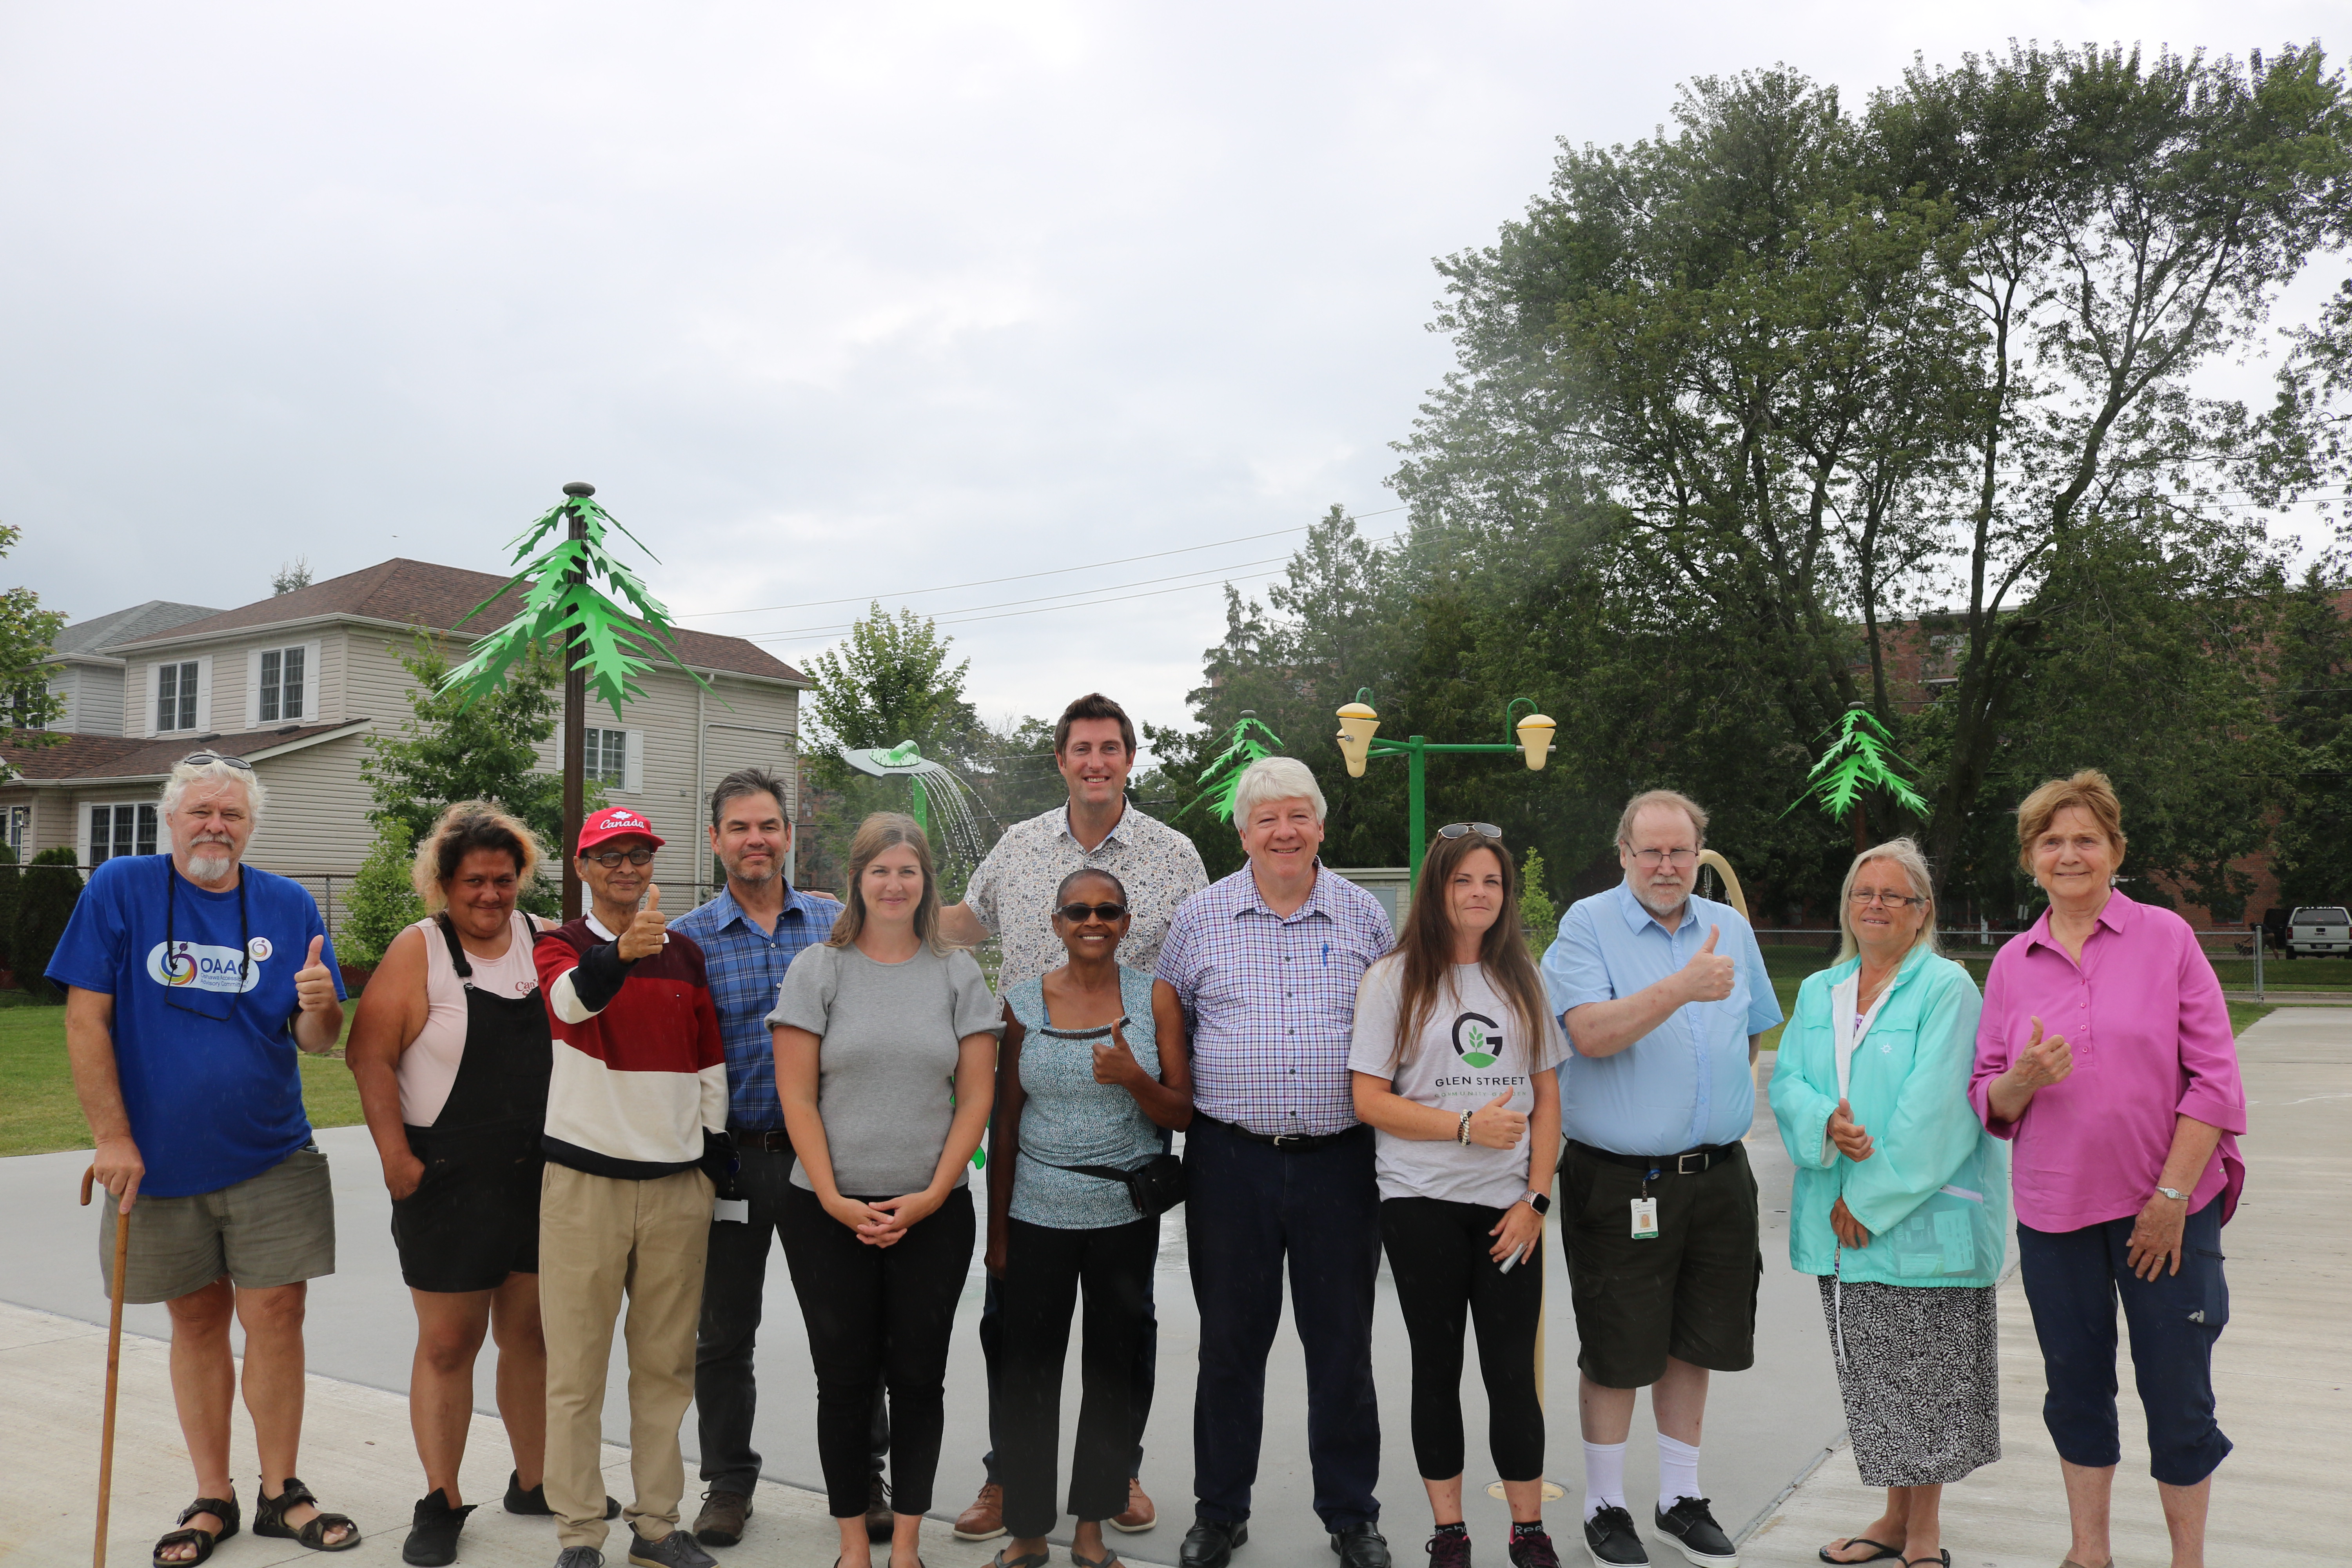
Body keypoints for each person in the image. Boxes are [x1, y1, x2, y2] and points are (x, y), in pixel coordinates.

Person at [54, 751, 358, 1566]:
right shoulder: (120, 887)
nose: (215, 825)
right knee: (195, 1320)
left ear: (250, 825)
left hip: (271, 1154)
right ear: (172, 818)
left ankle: (282, 1488)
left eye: (231, 813)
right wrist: (113, 1136)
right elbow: (86, 1021)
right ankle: (212, 1493)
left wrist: (324, 1009)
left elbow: (315, 1041)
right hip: (157, 1165)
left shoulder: (289, 903)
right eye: (201, 811)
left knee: (277, 1318)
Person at [940, 691, 1208, 1542]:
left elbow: (1204, 963)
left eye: (1111, 748)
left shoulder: (1175, 856)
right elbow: (960, 925)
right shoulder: (1018, 848)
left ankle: (1114, 1470)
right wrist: (877, 908)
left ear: (1130, 758)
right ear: (1060, 760)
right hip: (1032, 1095)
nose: (1096, 761)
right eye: (1081, 748)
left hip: (1131, 1115)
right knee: (1013, 1321)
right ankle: (1006, 1477)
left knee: (1127, 1323)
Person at [1969, 771, 2245, 1568]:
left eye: (2086, 837)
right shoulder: (2014, 961)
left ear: (2115, 849)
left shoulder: (2168, 937)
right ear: (2030, 858)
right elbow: (1989, 1095)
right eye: (2051, 840)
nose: (2069, 853)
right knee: (2077, 1388)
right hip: (2054, 1214)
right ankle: (2089, 1552)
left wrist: (2171, 1195)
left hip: (2166, 1206)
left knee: (2179, 1391)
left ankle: (2185, 1558)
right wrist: (2023, 1078)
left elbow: (2216, 1078)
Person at [348, 803, 619, 1566]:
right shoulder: (419, 950)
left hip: (540, 1175)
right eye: (474, 880)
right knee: (447, 1342)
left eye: (505, 879)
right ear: (443, 882)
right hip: (445, 1178)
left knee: (531, 1334)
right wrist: (396, 1159)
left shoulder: (545, 941)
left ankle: (536, 1481)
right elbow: (369, 1057)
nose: (491, 894)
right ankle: (441, 1496)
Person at [1156, 756, 1397, 1568]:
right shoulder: (1200, 919)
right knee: (1229, 1344)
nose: (1284, 831)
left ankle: (1351, 1513)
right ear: (1243, 831)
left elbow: (1401, 1030)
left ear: (1322, 825)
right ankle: (1220, 1510)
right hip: (1230, 1164)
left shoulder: (1366, 918)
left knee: (1342, 1345)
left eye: (1298, 815)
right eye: (1267, 818)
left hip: (1340, 1163)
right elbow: (1172, 1029)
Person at [1539, 789, 1781, 1568]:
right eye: (1652, 851)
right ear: (1624, 854)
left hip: (1715, 1176)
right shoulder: (1587, 926)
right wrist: (1680, 987)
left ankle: (1680, 1496)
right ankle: (1604, 1506)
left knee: (1695, 1338)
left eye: (1681, 851)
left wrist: (1704, 1108)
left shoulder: (1731, 929)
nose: (1667, 865)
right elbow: (1588, 1033)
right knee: (1618, 1345)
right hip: (1621, 1179)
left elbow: (1749, 1036)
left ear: (1698, 852)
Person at [771, 812, 1002, 1568]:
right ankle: (852, 1549)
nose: (895, 884)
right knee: (842, 1381)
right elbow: (797, 1098)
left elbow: (975, 1099)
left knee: (918, 1382)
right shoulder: (818, 969)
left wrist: (935, 1194)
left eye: (908, 871)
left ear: (926, 881)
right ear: (858, 881)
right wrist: (836, 1198)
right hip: (825, 1213)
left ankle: (906, 1546)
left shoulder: (957, 973)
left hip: (931, 1213)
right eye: (881, 871)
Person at [1768, 838, 2005, 1568]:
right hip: (1836, 1216)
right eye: (1862, 893)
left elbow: (1935, 1113)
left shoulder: (1946, 989)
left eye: (1892, 895)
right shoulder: (1821, 991)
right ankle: (1895, 1517)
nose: (1874, 905)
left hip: (1916, 1216)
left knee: (1924, 1379)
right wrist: (1822, 1124)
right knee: (1876, 1374)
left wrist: (1869, 1201)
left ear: (1921, 911)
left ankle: (1923, 1533)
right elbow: (1788, 1083)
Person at [1348, 826, 1568, 1568]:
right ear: (1438, 890)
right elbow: (1370, 1101)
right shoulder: (1394, 978)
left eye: (1493, 883)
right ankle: (1449, 1532)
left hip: (1508, 1212)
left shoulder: (1522, 978)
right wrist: (1467, 1126)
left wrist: (1535, 1202)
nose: (1480, 894)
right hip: (1420, 1204)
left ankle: (1528, 1529)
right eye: (1464, 881)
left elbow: (1547, 1101)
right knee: (1436, 1367)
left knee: (1512, 1373)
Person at [534, 806, 730, 1568]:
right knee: (576, 1371)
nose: (627, 867)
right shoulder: (560, 944)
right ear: (582, 867)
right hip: (585, 1183)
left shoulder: (683, 953)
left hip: (677, 1185)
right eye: (609, 855)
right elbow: (570, 1003)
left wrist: (714, 1160)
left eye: (639, 855)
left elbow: (707, 1058)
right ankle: (580, 1531)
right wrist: (618, 953)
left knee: (665, 1368)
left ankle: (656, 1525)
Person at [986, 868, 1195, 1568]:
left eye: (1108, 910)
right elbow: (1006, 1123)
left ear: (1127, 922)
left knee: (1113, 1374)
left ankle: (1090, 1527)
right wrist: (998, 1235)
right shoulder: (1019, 1003)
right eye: (1079, 910)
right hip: (1037, 1213)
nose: (1093, 920)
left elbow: (1181, 1111)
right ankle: (1026, 1528)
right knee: (1028, 1374)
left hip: (1121, 1218)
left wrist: (1135, 1078)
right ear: (1056, 921)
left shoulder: (1153, 998)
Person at [668, 769, 852, 1550]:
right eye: (740, 826)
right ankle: (728, 1482)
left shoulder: (838, 924)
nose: (756, 839)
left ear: (788, 835)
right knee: (721, 1334)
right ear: (715, 839)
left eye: (769, 825)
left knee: (846, 1329)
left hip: (829, 1162)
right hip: (731, 1163)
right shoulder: (686, 941)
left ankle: (861, 1476)